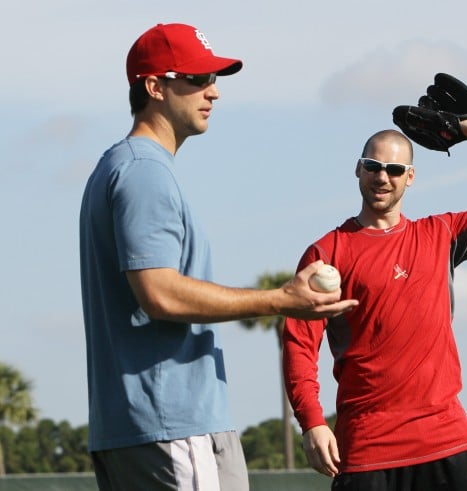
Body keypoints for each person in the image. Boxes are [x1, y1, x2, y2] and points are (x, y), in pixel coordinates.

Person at [79, 22, 357, 491]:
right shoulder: (145, 171)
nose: (213, 91)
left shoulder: (122, 165)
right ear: (154, 87)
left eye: (214, 79)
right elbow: (159, 293)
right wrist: (280, 300)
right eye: (197, 78)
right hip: (172, 422)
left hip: (142, 423)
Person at [282, 115, 467, 491]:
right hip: (366, 447)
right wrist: (311, 420)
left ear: (410, 176)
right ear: (358, 168)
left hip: (445, 443)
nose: (382, 177)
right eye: (373, 166)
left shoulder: (441, 235)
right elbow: (299, 345)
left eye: (393, 169)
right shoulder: (327, 252)